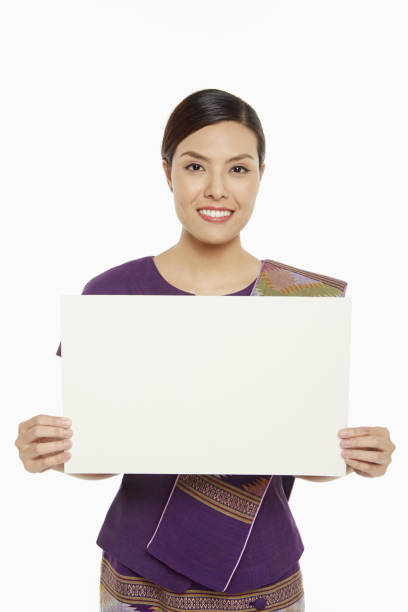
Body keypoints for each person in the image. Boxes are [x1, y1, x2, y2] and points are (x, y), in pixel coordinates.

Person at [15, 88, 396, 611]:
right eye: (196, 166)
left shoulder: (302, 299)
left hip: (264, 576)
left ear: (262, 175)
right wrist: (53, 451)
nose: (217, 189)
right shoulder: (113, 293)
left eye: (238, 169)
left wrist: (356, 454)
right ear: (168, 172)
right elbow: (100, 453)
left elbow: (310, 456)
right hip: (138, 579)